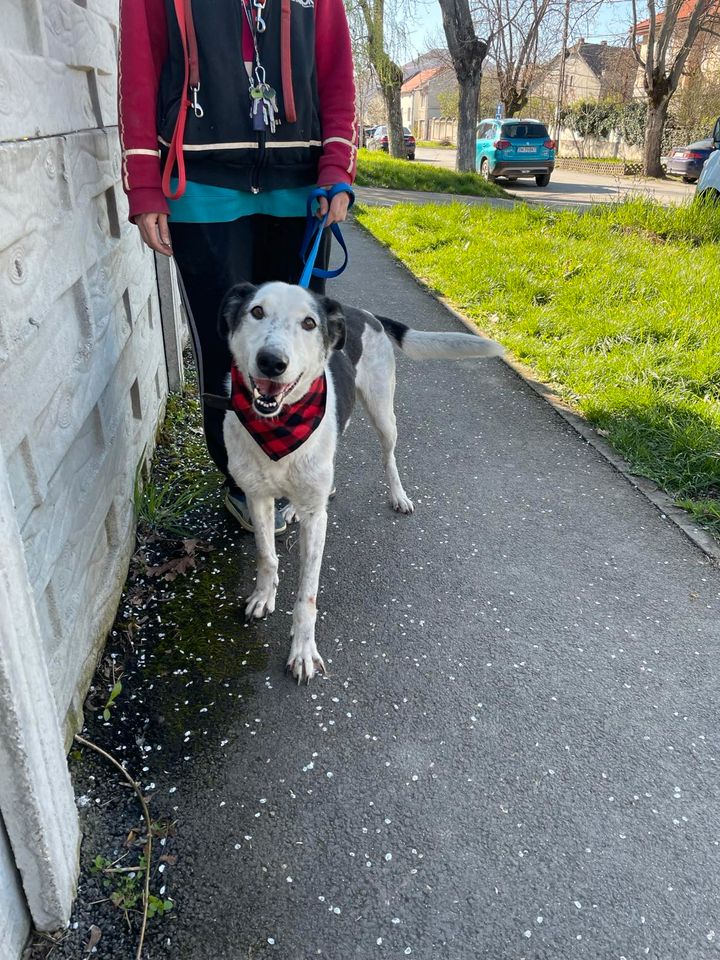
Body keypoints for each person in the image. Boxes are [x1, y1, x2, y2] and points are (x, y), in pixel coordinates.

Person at [118, 0, 357, 533]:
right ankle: (241, 480)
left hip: (301, 188)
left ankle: (298, 469)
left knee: (296, 345)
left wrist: (337, 162)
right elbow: (140, 64)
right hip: (200, 183)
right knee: (227, 347)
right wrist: (144, 181)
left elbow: (338, 68)